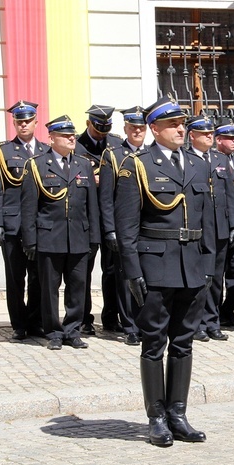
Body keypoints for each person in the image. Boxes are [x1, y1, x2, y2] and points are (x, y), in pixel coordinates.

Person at [114, 96, 214, 446]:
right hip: (154, 265)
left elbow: (209, 221)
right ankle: (156, 416)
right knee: (154, 342)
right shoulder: (136, 165)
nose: (180, 129)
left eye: (182, 123)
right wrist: (132, 271)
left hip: (192, 267)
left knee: (184, 342)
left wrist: (209, 265)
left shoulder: (199, 165)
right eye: (172, 125)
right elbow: (126, 225)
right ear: (154, 129)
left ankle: (178, 413)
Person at [20, 115, 100, 350]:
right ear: (52, 138)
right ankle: (53, 331)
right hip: (49, 237)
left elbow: (91, 206)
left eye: (72, 134)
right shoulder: (37, 165)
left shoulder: (83, 164)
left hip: (78, 237)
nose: (71, 138)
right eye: (65, 135)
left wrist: (94, 237)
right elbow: (29, 206)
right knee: (49, 289)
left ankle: (72, 330)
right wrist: (30, 240)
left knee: (77, 287)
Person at [0, 100, 47, 340]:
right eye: (19, 121)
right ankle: (19, 324)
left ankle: (36, 321)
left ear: (35, 122)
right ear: (14, 122)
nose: (23, 125)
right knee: (15, 277)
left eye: (28, 121)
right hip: (12, 225)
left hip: (39, 225)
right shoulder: (2, 151)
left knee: (38, 276)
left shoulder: (46, 151)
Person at [186, 115, 234, 342]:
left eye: (211, 133)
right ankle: (195, 324)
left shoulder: (220, 159)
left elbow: (230, 195)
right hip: (197, 228)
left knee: (216, 279)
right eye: (204, 133)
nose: (209, 136)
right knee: (197, 278)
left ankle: (212, 321)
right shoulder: (185, 158)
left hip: (219, 227)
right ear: (192, 136)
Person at [98, 106, 147, 345]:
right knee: (125, 277)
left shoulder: (151, 154)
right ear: (125, 128)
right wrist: (109, 229)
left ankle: (145, 321)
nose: (138, 131)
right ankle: (130, 326)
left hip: (148, 229)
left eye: (141, 127)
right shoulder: (114, 155)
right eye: (133, 127)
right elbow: (106, 197)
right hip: (123, 228)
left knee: (146, 276)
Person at [74, 104, 123, 335]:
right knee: (83, 269)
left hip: (111, 214)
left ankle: (111, 318)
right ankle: (84, 318)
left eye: (106, 128)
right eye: (97, 128)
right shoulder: (76, 145)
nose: (102, 133)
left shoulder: (116, 143)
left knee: (112, 270)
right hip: (86, 215)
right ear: (88, 124)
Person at [214, 118, 234, 327]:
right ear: (218, 140)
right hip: (218, 224)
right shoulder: (212, 161)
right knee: (217, 273)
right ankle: (214, 311)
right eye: (229, 138)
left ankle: (230, 309)